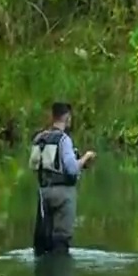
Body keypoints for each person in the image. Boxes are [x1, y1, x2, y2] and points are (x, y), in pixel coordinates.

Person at [29, 102, 96, 256]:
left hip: (43, 192)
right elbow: (72, 169)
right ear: (67, 118)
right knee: (61, 239)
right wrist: (86, 158)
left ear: (52, 116)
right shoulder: (63, 139)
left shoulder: (40, 138)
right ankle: (60, 272)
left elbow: (36, 165)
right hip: (64, 194)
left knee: (44, 238)